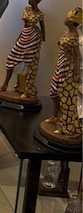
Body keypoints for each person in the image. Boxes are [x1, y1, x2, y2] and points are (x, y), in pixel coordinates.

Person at [0, 0, 45, 98]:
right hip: (24, 34)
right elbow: (25, 26)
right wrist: (20, 36)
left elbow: (42, 26)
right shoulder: (26, 10)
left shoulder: (40, 14)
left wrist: (43, 37)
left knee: (28, 62)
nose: (29, 0)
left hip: (33, 38)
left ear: (37, 1)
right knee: (11, 58)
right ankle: (5, 83)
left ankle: (26, 89)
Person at [44, 7, 82, 137]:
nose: (65, 19)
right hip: (60, 66)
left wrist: (76, 73)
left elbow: (77, 55)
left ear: (71, 22)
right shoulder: (67, 33)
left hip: (67, 70)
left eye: (67, 18)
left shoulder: (74, 36)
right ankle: (55, 116)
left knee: (66, 99)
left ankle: (66, 127)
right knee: (53, 93)